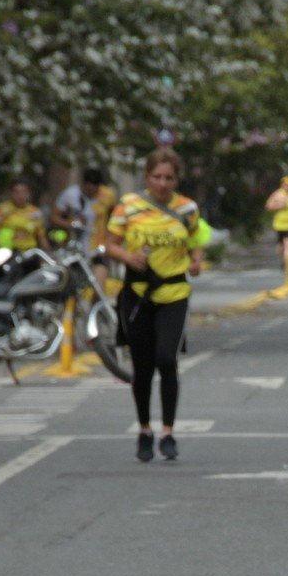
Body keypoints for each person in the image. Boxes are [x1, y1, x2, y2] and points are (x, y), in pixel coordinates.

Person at [102, 148, 203, 463]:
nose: (162, 183)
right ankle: (144, 430)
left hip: (173, 294)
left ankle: (168, 432)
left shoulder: (187, 209)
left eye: (169, 178)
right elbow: (108, 244)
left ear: (177, 179)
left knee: (166, 358)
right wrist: (128, 257)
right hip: (137, 295)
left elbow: (195, 243)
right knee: (142, 366)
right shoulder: (128, 207)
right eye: (157, 177)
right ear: (147, 178)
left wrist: (197, 261)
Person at [0, 178, 49, 254]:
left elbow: (41, 236)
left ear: (29, 194)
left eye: (23, 192)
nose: (20, 196)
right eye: (16, 192)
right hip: (5, 252)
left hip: (28, 253)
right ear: (11, 193)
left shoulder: (35, 212)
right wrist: (10, 239)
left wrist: (47, 251)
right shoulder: (2, 210)